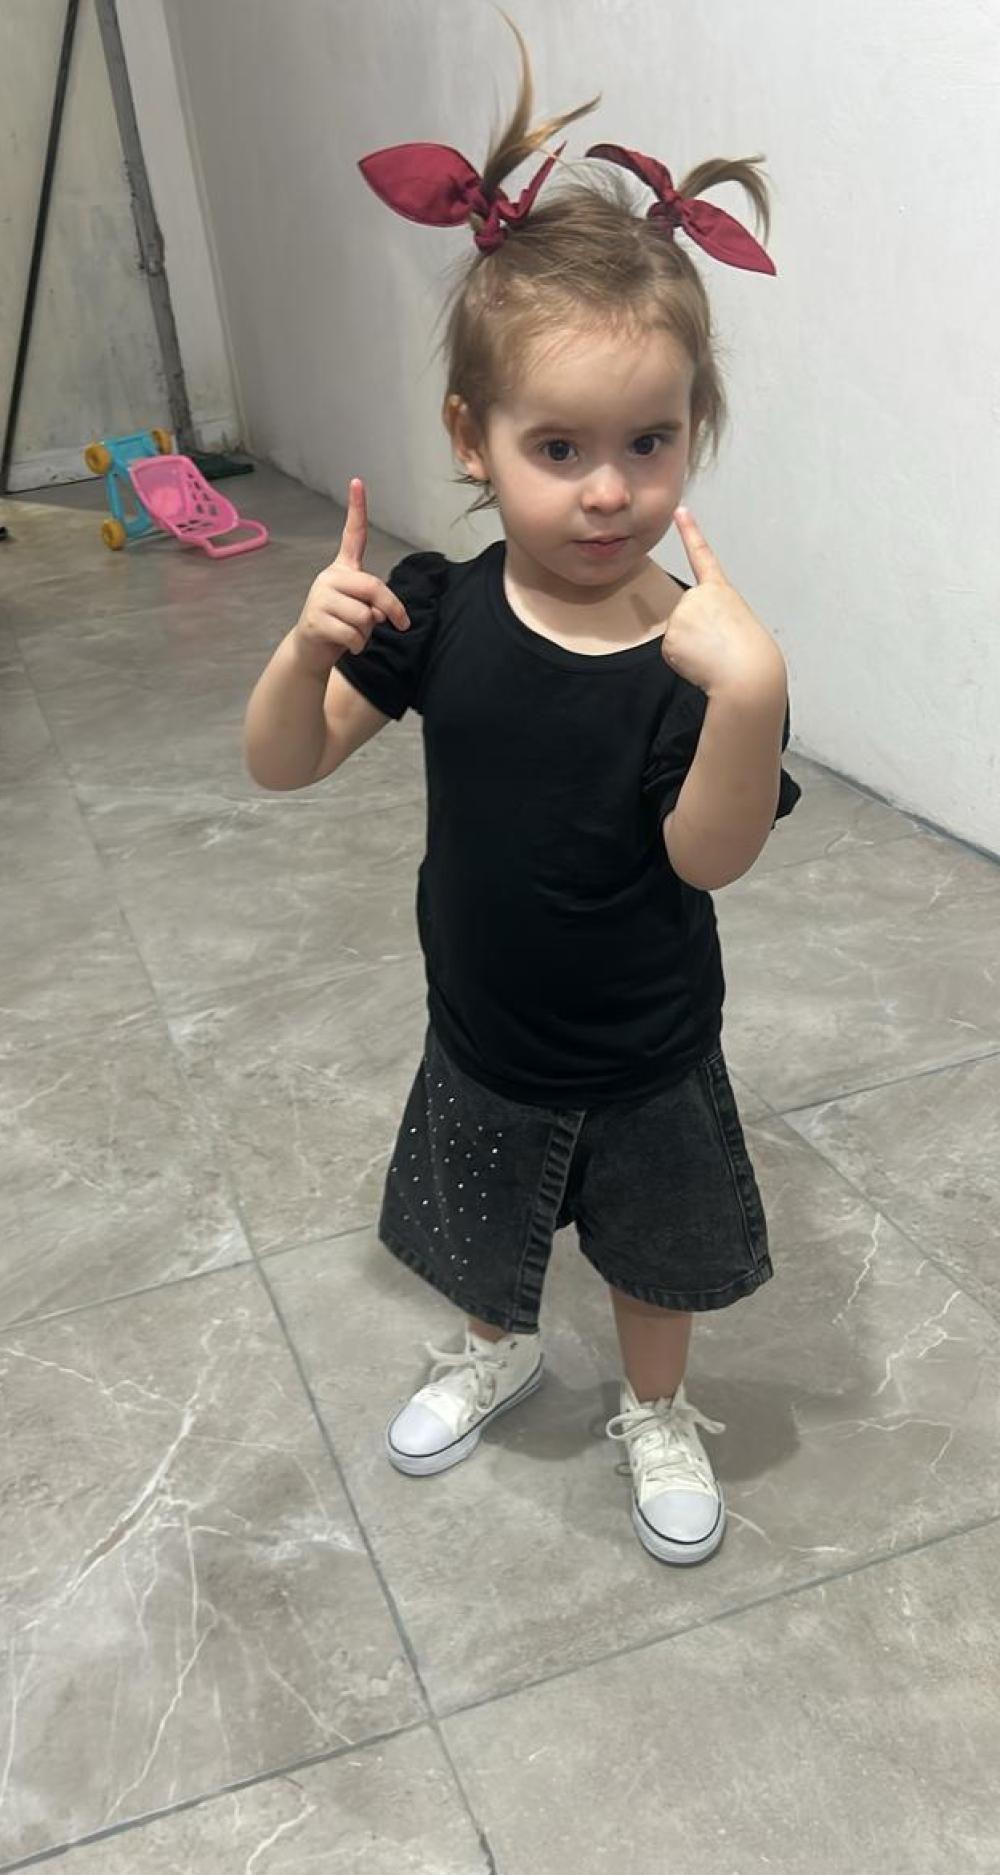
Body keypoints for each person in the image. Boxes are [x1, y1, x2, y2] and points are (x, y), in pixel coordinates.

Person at [244, 30, 800, 1567]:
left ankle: (655, 1407)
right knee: (481, 1219)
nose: (609, 489)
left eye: (647, 443)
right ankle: (496, 1348)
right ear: (471, 437)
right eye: (559, 447)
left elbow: (710, 856)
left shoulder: (692, 655)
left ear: (692, 433)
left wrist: (751, 697)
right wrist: (301, 652)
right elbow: (285, 762)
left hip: (645, 1041)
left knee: (654, 1252)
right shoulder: (441, 612)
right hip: (483, 1020)